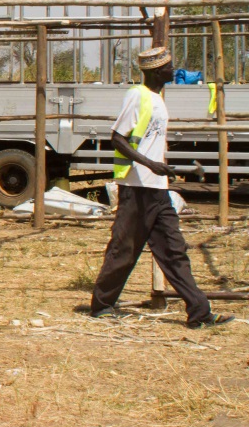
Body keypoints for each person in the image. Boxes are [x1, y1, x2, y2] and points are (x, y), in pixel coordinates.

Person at [91, 46, 233, 329]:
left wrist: (158, 169)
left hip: (157, 189)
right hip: (137, 187)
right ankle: (102, 305)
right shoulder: (138, 96)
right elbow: (117, 138)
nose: (173, 71)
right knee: (125, 248)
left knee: (174, 250)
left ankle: (199, 313)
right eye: (169, 68)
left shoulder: (157, 99)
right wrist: (150, 164)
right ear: (158, 71)